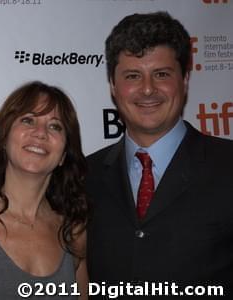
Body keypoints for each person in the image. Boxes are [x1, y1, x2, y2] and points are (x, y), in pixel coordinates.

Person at [86, 11, 233, 299]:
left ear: (186, 80)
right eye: (132, 76)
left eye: (162, 74)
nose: (148, 89)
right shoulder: (83, 176)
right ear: (113, 87)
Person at [0, 81, 89, 299]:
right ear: (4, 138)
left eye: (55, 126)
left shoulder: (73, 232)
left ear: (64, 155)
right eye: (28, 120)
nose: (40, 133)